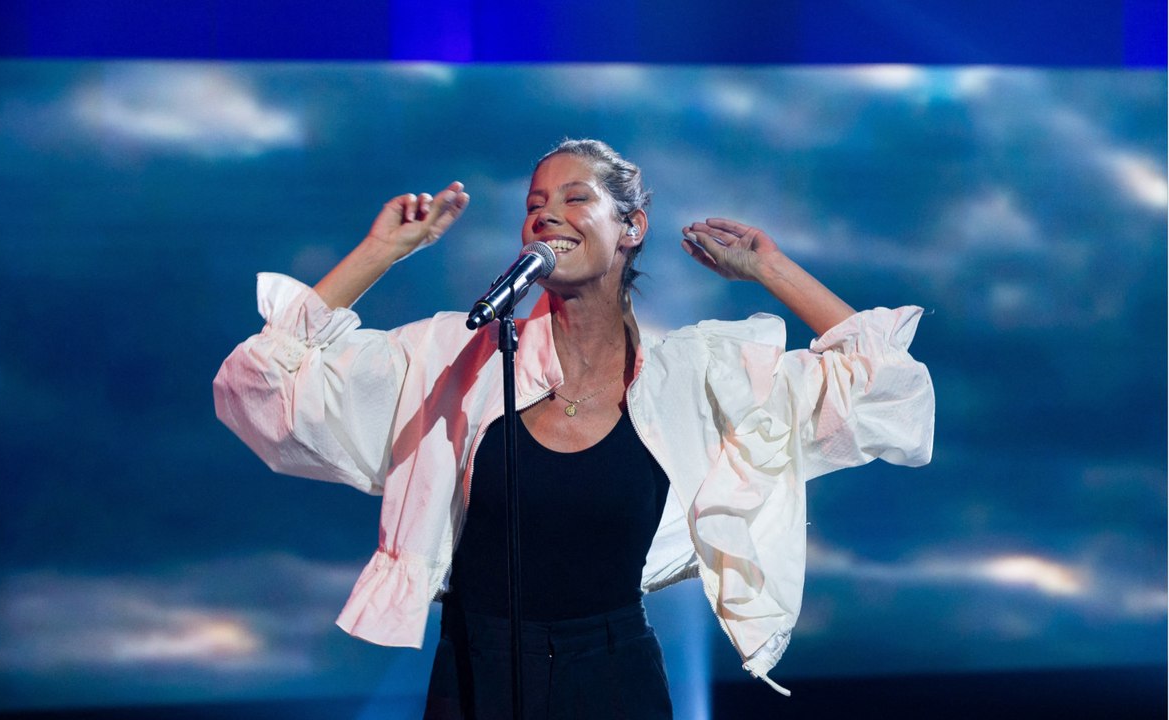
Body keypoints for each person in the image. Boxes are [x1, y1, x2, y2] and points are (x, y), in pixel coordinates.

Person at [213, 139, 935, 718]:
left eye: (574, 198)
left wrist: (773, 269)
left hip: (615, 676)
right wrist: (381, 253)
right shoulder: (456, 357)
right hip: (476, 675)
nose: (546, 216)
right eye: (533, 206)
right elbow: (260, 385)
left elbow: (882, 389)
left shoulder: (693, 375)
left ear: (631, 229)